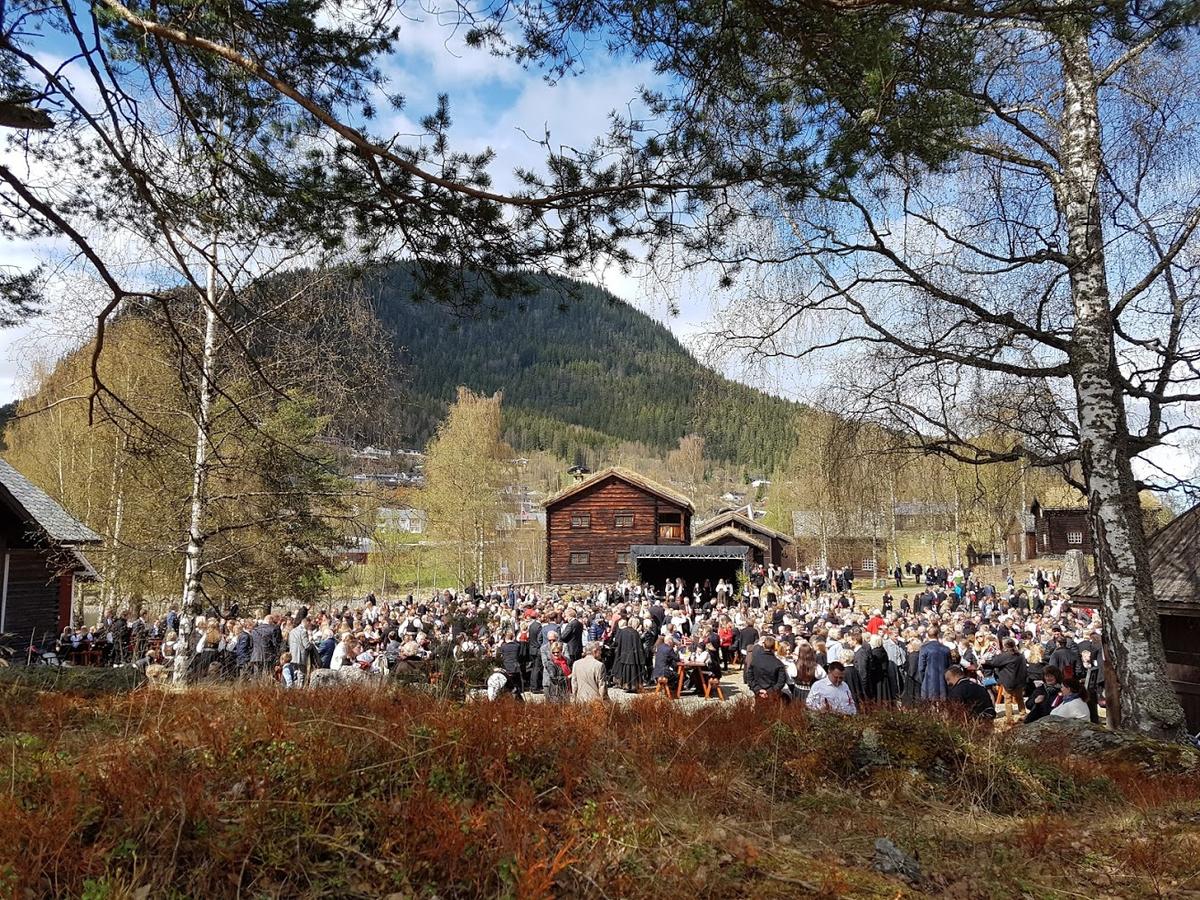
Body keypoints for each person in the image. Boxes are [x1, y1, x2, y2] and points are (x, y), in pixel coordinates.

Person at [981, 638, 1027, 720]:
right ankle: (1023, 714)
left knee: (1008, 699)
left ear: (1005, 646)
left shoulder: (1006, 656)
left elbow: (995, 662)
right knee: (1019, 698)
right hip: (1019, 680)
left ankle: (1009, 718)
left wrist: (985, 662)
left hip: (1008, 680)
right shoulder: (1020, 655)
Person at [745, 635, 789, 701]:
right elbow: (781, 681)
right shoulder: (778, 663)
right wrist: (770, 691)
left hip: (761, 692)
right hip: (772, 694)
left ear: (763, 645)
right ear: (774, 647)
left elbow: (749, 676)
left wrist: (758, 689)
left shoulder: (755, 660)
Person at [917, 626, 951, 700]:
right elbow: (949, 667)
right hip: (943, 682)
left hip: (929, 682)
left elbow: (921, 668)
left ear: (928, 635)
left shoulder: (924, 648)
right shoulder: (946, 649)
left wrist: (923, 680)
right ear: (938, 635)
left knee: (930, 707)